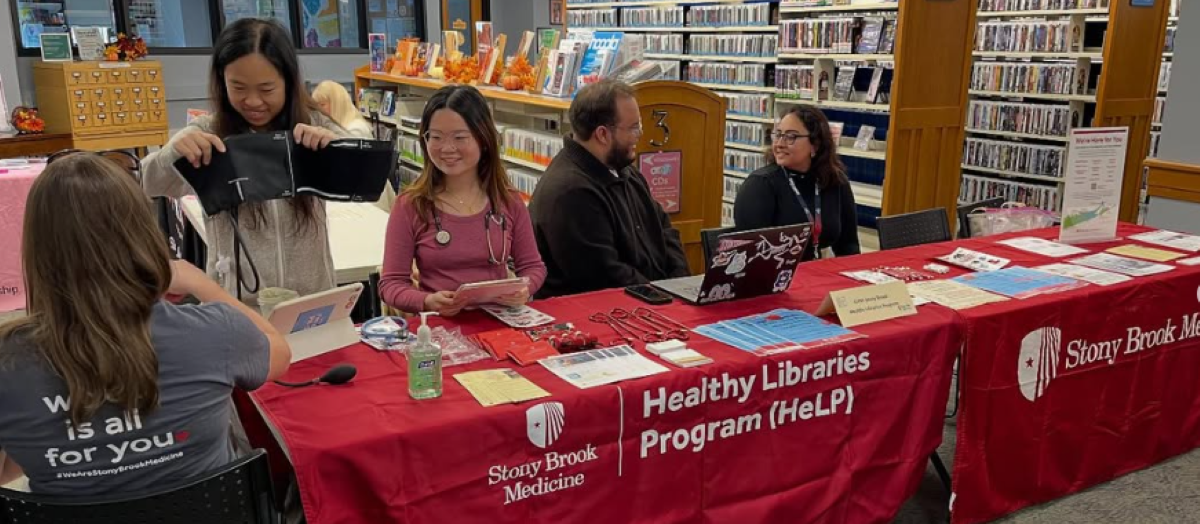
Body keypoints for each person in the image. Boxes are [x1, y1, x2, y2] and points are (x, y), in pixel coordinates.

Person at [0, 154, 290, 496]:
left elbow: (7, 472)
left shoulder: (9, 360)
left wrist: (62, 439)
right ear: (143, 232)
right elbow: (279, 352)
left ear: (38, 249)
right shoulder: (215, 332)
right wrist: (201, 283)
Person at [141, 18, 349, 306]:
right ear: (222, 80)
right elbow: (149, 183)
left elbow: (362, 177)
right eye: (238, 87)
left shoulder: (313, 125)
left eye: (266, 89)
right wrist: (171, 154)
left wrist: (334, 148)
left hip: (309, 303)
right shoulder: (207, 134)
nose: (252, 101)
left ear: (288, 83)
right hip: (235, 310)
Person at [380, 85, 546, 315]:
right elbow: (391, 284)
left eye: (459, 137)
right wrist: (427, 300)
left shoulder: (508, 200)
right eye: (435, 137)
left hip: (501, 323)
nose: (447, 148)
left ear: (483, 138)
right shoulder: (411, 204)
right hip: (441, 331)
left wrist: (525, 288)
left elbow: (533, 267)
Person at [528, 79, 689, 298]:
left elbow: (665, 230)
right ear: (602, 134)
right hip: (607, 316)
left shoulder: (624, 171)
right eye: (633, 128)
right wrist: (663, 295)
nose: (640, 134)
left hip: (654, 301)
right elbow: (605, 275)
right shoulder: (570, 192)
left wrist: (680, 282)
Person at [733, 105, 860, 259]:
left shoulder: (835, 181)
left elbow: (849, 247)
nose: (779, 143)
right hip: (775, 276)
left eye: (791, 137)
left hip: (817, 275)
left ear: (816, 144)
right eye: (778, 134)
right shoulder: (760, 185)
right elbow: (751, 255)